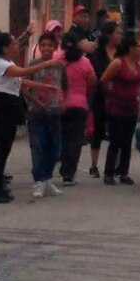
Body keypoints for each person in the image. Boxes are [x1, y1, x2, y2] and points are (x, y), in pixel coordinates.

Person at [0, 29, 58, 203]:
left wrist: (43, 86)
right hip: (1, 105)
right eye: (13, 44)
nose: (17, 46)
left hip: (11, 104)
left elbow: (20, 81)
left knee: (7, 147)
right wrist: (45, 65)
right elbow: (22, 73)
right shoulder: (0, 63)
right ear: (4, 48)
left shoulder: (8, 62)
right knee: (0, 148)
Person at [23, 32, 67, 199]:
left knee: (55, 147)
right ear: (39, 47)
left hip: (54, 112)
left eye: (50, 45)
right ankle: (39, 180)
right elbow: (23, 85)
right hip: (36, 112)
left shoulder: (60, 66)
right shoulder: (33, 64)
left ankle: (47, 179)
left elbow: (65, 85)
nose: (46, 48)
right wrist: (35, 101)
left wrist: (64, 102)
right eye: (43, 45)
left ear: (55, 47)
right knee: (38, 146)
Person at [100, 37, 140, 185]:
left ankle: (124, 172)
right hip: (117, 106)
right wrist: (112, 94)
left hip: (132, 107)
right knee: (115, 140)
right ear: (130, 48)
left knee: (127, 141)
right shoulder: (118, 63)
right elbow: (104, 80)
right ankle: (109, 172)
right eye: (138, 45)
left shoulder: (137, 64)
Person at [58, 32, 97, 186]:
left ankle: (58, 167)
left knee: (61, 138)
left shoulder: (56, 59)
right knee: (74, 141)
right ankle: (69, 173)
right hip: (79, 105)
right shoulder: (85, 62)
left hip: (59, 104)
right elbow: (93, 81)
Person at [88, 21, 122, 178]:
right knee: (98, 130)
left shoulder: (121, 52)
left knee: (117, 131)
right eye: (117, 33)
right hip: (101, 96)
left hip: (118, 96)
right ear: (109, 35)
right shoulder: (98, 53)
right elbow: (95, 74)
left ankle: (116, 165)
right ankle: (94, 165)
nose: (119, 36)